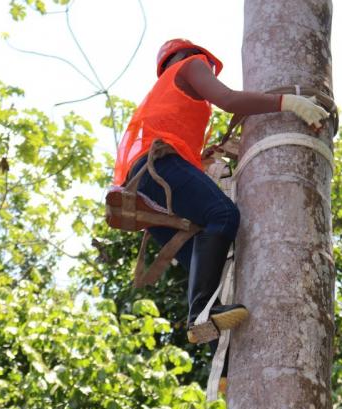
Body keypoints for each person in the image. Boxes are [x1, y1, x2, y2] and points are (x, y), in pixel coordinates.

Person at [112, 39, 329, 365]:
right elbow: (228, 99)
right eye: (209, 68)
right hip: (157, 166)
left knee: (204, 265)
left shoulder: (163, 99)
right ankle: (201, 312)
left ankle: (222, 363)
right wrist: (288, 103)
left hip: (143, 190)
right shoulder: (190, 65)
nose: (208, 72)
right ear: (186, 57)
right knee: (222, 215)